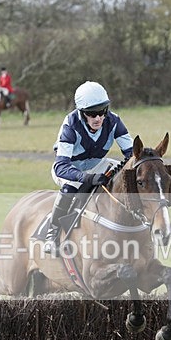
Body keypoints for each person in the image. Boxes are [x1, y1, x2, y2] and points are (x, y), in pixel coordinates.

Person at [43, 81, 133, 254]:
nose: (98, 118)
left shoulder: (114, 121)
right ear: (82, 113)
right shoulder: (70, 125)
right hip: (70, 169)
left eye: (102, 112)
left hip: (97, 164)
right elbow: (61, 166)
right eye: (92, 114)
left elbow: (132, 154)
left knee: (125, 173)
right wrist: (87, 178)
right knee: (71, 189)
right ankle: (52, 234)